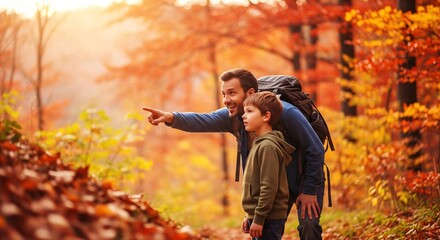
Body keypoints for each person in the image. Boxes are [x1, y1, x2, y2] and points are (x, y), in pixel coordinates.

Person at [143, 68, 325, 239]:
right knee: (261, 231)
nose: (226, 99)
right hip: (272, 186)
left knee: (309, 226)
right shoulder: (236, 116)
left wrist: (309, 190)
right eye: (223, 94)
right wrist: (170, 117)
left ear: (250, 93)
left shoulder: (285, 112)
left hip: (303, 178)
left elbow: (315, 149)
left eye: (232, 93)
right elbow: (203, 120)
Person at [240, 91, 294, 239]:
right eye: (244, 111)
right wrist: (250, 215)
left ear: (266, 116)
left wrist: (258, 218)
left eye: (249, 111)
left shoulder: (267, 147)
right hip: (261, 216)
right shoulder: (260, 144)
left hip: (268, 218)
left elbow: (268, 187)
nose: (244, 116)